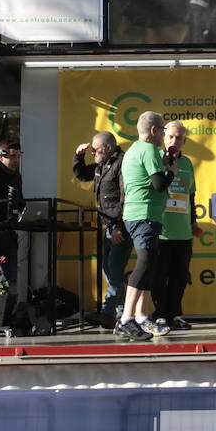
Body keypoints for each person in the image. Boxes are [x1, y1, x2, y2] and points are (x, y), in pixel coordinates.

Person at [117, 111, 178, 341]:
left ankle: (139, 317)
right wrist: (170, 173)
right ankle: (125, 320)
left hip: (135, 214)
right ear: (154, 131)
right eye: (163, 130)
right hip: (145, 215)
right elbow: (159, 184)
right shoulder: (148, 149)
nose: (164, 135)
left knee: (148, 265)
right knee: (144, 265)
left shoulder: (133, 150)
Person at [73, 131, 128, 327]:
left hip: (118, 225)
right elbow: (81, 174)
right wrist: (78, 156)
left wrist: (119, 227)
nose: (93, 153)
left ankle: (108, 312)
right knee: (109, 268)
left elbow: (126, 196)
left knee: (114, 270)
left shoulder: (121, 163)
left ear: (108, 148)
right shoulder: (101, 164)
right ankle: (122, 311)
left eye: (96, 150)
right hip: (107, 223)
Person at [152, 121, 200, 330]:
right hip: (161, 230)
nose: (174, 141)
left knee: (180, 277)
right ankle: (160, 314)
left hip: (183, 232)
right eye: (171, 136)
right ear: (163, 137)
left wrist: (193, 222)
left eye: (179, 137)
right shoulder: (155, 160)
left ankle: (175, 315)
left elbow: (191, 195)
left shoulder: (188, 163)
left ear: (184, 140)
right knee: (159, 275)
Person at [0, 139, 31, 327]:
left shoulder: (16, 176)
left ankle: (9, 315)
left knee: (11, 275)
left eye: (19, 156)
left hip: (9, 229)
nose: (16, 160)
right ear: (0, 156)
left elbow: (20, 201)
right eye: (13, 156)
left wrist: (28, 213)